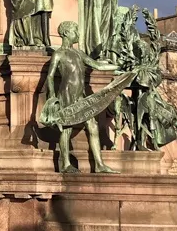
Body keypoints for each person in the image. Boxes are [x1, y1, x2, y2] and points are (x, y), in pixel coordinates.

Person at [40, 21, 135, 173]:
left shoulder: (78, 53)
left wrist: (123, 67)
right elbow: (50, 76)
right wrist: (52, 97)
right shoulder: (59, 53)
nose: (78, 34)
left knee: (93, 126)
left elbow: (98, 66)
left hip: (81, 95)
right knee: (66, 129)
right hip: (66, 95)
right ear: (66, 33)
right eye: (75, 31)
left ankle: (99, 164)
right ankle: (65, 164)